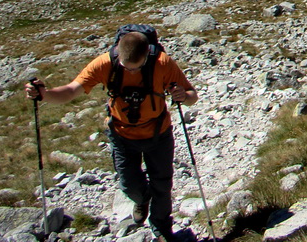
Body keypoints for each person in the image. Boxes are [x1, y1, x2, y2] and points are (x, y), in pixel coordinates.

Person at [25, 26, 197, 242]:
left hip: (158, 133)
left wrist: (182, 96)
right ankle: (142, 199)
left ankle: (162, 228)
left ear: (147, 55)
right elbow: (71, 91)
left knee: (162, 184)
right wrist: (44, 94)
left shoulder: (162, 62)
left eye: (138, 68)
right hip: (122, 135)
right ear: (117, 53)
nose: (131, 72)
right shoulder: (105, 63)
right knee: (128, 185)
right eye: (127, 68)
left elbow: (192, 95)